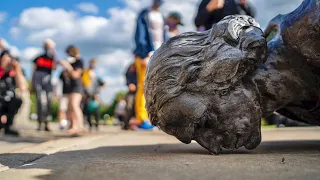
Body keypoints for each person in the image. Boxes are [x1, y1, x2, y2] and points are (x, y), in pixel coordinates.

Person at [134, 0, 166, 130]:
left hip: (159, 52)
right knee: (143, 87)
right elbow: (140, 35)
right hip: (146, 53)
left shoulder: (161, 15)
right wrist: (143, 54)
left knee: (159, 87)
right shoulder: (144, 14)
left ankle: (158, 118)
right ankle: (142, 118)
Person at [0, 51, 27, 136]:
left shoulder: (14, 73)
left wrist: (17, 69)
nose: (7, 63)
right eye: (5, 60)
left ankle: (8, 126)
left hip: (8, 102)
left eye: (9, 61)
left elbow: (23, 87)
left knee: (18, 100)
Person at [59, 45, 85, 135]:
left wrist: (68, 66)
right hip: (69, 88)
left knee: (75, 105)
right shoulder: (71, 62)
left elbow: (75, 75)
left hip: (77, 87)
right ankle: (73, 126)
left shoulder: (79, 61)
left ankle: (80, 126)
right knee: (70, 108)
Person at [32, 39, 56, 131]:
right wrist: (32, 84)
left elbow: (54, 68)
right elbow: (34, 70)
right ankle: (39, 123)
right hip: (38, 81)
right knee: (40, 102)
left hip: (48, 82)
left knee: (48, 103)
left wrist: (53, 55)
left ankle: (46, 123)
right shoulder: (38, 58)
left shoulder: (52, 58)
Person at [82, 58, 105, 131]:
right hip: (87, 94)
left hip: (95, 95)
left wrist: (97, 91)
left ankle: (97, 125)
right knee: (87, 111)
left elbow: (103, 84)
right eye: (92, 63)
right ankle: (90, 125)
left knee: (96, 111)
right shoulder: (85, 72)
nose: (93, 65)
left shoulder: (95, 75)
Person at [123, 63, 137, 130]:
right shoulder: (129, 72)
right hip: (132, 92)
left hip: (140, 91)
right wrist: (130, 84)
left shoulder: (140, 69)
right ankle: (126, 124)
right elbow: (130, 85)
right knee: (129, 107)